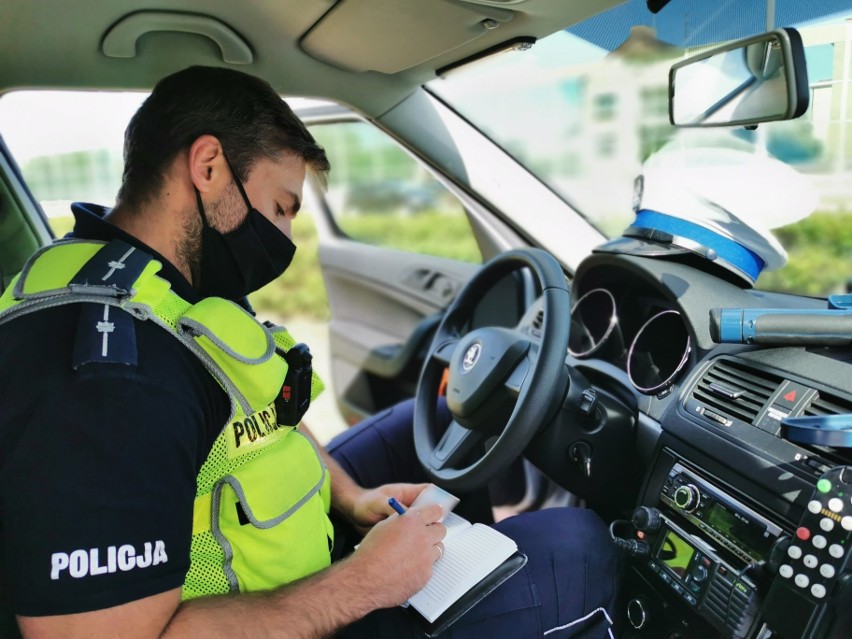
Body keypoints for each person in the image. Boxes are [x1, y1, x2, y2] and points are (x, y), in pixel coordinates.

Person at [0, 66, 619, 638]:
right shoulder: (107, 382)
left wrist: (350, 499)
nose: (286, 237)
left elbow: (262, 409)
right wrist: (362, 583)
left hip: (287, 547)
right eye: (279, 208)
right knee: (576, 548)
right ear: (208, 166)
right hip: (276, 615)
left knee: (422, 424)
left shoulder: (153, 277)